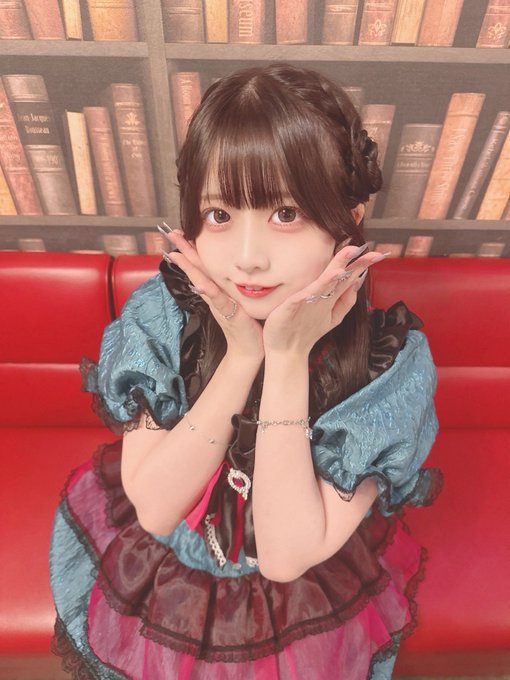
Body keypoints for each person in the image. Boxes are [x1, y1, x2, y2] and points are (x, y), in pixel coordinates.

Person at [50, 63, 442, 680]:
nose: (248, 258)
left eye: (286, 212)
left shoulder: (388, 364)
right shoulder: (163, 315)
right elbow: (155, 510)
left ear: (350, 215)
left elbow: (286, 557)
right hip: (178, 561)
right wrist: (242, 356)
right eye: (219, 214)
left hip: (304, 586)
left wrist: (285, 358)